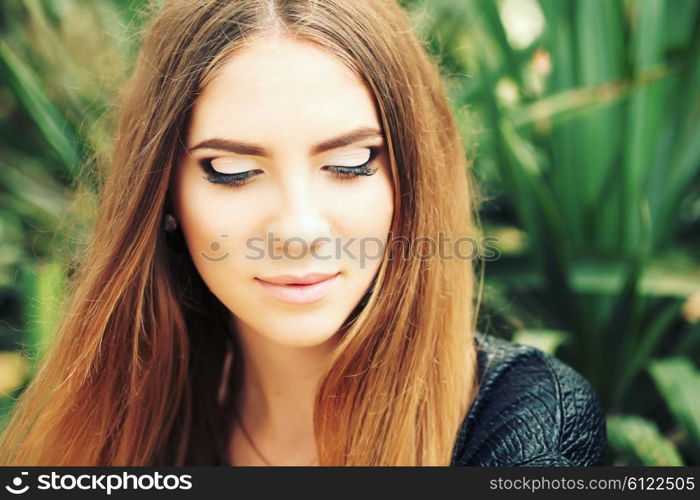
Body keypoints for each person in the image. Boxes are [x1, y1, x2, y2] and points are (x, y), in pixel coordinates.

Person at [0, 0, 606, 466]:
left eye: (350, 164)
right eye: (231, 171)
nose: (297, 231)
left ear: (411, 179)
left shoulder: (528, 427)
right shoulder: (115, 416)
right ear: (162, 193)